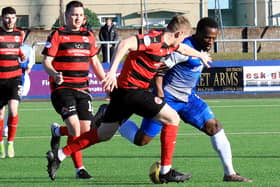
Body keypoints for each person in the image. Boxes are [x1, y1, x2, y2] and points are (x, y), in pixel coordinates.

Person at [46, 15, 211, 183]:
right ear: (178, 33)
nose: (183, 41)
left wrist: (200, 55)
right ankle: (165, 171)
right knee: (172, 118)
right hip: (134, 91)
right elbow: (124, 44)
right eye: (184, 36)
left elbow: (183, 48)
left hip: (122, 95)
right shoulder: (153, 39)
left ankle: (59, 155)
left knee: (103, 134)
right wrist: (111, 71)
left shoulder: (170, 44)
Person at [118, 17, 253, 182]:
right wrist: (159, 92)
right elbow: (159, 70)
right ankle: (114, 118)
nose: (210, 41)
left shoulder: (201, 48)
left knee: (214, 126)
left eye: (213, 38)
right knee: (142, 140)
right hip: (168, 98)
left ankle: (230, 173)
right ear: (197, 33)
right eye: (207, 37)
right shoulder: (183, 48)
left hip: (188, 100)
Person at [42, 0, 106, 179]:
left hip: (83, 89)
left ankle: (57, 132)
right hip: (62, 88)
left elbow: (94, 62)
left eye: (80, 15)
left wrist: (106, 82)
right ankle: (80, 169)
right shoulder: (58, 34)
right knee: (75, 128)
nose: (77, 18)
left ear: (83, 17)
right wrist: (54, 74)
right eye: (73, 14)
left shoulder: (89, 36)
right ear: (66, 16)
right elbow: (46, 62)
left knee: (85, 131)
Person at [0, 6, 26, 158]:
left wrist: (22, 55)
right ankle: (0, 145)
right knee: (0, 113)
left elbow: (17, 49)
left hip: (14, 78)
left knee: (13, 110)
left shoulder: (19, 34)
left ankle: (10, 143)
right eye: (7, 18)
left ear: (16, 19)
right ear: (2, 18)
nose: (10, 21)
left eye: (13, 18)